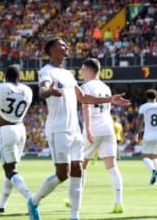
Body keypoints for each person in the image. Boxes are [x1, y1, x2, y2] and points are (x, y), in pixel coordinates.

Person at [27, 38, 130, 220]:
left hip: (74, 129)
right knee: (62, 174)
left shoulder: (68, 74)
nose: (66, 47)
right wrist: (49, 92)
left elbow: (82, 97)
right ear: (51, 49)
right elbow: (42, 90)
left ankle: (74, 216)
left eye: (66, 45)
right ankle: (34, 201)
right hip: (58, 128)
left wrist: (109, 99)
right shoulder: (46, 72)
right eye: (62, 45)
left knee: (78, 169)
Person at [0, 65, 34, 214]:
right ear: (19, 77)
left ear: (5, 76)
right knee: (11, 169)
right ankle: (1, 205)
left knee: (10, 170)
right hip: (21, 129)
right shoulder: (28, 90)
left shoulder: (1, 87)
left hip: (7, 130)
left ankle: (32, 200)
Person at [79, 58, 124, 214]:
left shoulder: (86, 86)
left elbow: (86, 108)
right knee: (112, 167)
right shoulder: (106, 88)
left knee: (80, 166)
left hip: (94, 128)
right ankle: (118, 203)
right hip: (108, 128)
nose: (81, 72)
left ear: (90, 70)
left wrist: (88, 131)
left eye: (83, 70)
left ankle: (75, 200)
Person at [134, 89, 157, 185]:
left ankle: (153, 171)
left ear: (147, 97)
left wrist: (136, 133)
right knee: (155, 157)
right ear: (156, 97)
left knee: (144, 156)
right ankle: (154, 180)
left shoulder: (144, 107)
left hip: (148, 135)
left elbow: (139, 121)